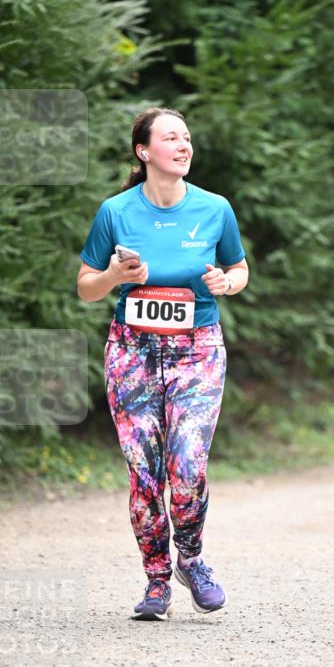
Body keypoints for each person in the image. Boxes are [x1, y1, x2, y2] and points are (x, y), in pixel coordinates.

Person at [77, 107, 248, 620]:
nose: (183, 144)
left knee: (188, 464)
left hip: (197, 349)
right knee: (145, 475)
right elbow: (86, 288)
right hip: (132, 352)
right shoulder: (115, 212)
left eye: (187, 137)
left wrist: (227, 282)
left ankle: (190, 559)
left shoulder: (215, 208)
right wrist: (114, 275)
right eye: (170, 137)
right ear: (143, 151)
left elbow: (238, 268)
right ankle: (156, 580)